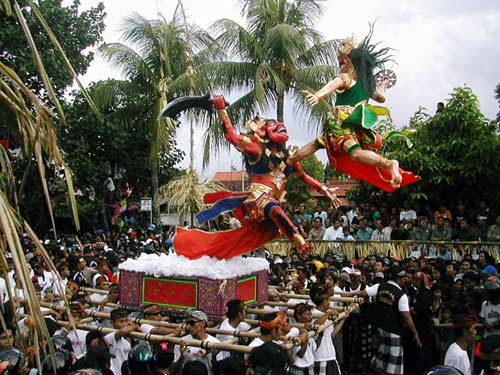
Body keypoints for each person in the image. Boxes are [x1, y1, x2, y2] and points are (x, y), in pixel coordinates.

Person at [171, 95, 341, 258]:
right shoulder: (256, 149)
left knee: (254, 229)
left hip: (273, 201)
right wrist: (221, 108)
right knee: (275, 210)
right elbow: (231, 136)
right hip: (258, 198)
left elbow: (305, 177)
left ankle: (199, 248)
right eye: (274, 124)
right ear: (264, 130)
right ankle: (300, 243)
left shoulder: (288, 159)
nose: (280, 126)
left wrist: (325, 189)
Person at [290, 28, 420, 192]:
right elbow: (380, 97)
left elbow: (333, 84)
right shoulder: (366, 86)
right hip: (350, 125)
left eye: (342, 61)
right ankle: (290, 161)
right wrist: (382, 85)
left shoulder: (345, 78)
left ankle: (388, 163)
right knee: (318, 143)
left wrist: (318, 95)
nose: (340, 65)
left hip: (342, 123)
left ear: (351, 63)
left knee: (354, 153)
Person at [345, 267, 422, 375]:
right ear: (398, 279)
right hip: (394, 331)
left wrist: (347, 295)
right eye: (403, 278)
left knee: (381, 356)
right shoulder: (401, 295)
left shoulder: (380, 286)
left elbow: (363, 293)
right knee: (392, 364)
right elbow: (407, 316)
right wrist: (415, 332)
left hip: (380, 328)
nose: (405, 280)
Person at [104, 308, 138, 375]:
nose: (124, 324)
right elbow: (123, 331)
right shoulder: (109, 337)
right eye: (121, 321)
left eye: (126, 321)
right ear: (112, 322)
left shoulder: (126, 342)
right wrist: (135, 326)